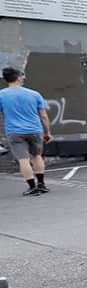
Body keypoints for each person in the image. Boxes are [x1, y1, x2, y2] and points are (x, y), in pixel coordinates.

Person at [0, 67, 52, 196]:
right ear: (18, 78)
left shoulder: (1, 95)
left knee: (23, 159)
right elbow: (44, 116)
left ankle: (32, 187)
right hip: (35, 130)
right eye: (22, 76)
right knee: (36, 156)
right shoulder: (34, 94)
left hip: (14, 132)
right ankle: (42, 184)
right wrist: (47, 133)